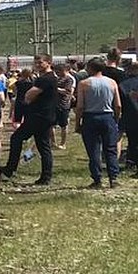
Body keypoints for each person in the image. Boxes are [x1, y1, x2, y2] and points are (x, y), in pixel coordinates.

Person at [0, 54, 58, 186]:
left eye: (40, 62)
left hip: (38, 116)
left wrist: (28, 100)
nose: (37, 65)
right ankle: (46, 176)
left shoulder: (45, 79)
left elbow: (30, 94)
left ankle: (10, 168)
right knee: (43, 145)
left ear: (48, 63)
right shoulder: (51, 77)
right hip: (45, 116)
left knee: (17, 138)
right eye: (36, 62)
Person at [75, 57, 123, 189]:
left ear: (90, 68)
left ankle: (97, 179)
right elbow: (118, 105)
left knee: (94, 150)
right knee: (110, 149)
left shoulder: (84, 84)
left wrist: (78, 123)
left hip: (90, 117)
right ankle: (113, 177)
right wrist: (116, 119)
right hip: (108, 116)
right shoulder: (112, 83)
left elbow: (79, 106)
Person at [119, 61, 138, 176]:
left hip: (130, 116)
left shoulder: (123, 84)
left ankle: (131, 161)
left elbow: (120, 103)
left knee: (132, 141)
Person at [53, 62, 77, 149]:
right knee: (52, 124)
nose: (57, 73)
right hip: (54, 104)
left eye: (58, 71)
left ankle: (63, 143)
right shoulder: (57, 79)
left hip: (63, 104)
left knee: (63, 125)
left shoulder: (69, 79)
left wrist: (55, 89)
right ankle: (53, 142)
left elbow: (68, 91)